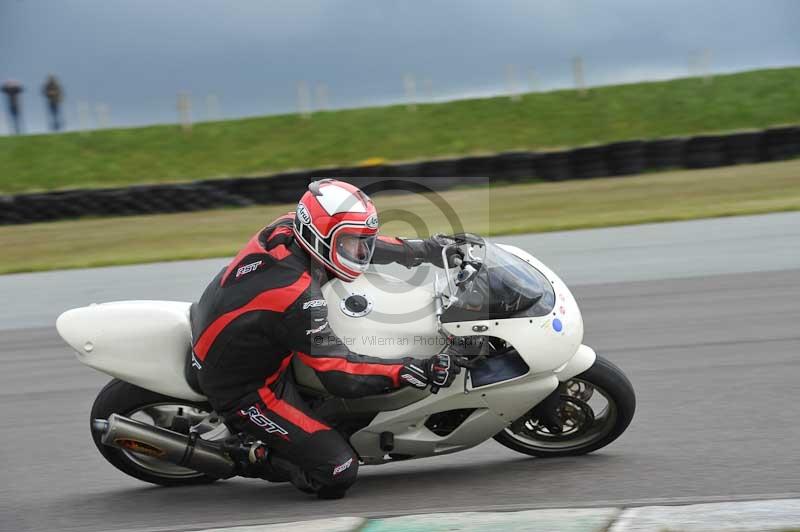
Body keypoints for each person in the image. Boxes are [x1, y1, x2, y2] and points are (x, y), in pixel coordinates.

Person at [189, 179, 462, 499]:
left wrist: (425, 250)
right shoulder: (297, 295)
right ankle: (248, 454)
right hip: (248, 388)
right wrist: (409, 369)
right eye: (350, 244)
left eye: (362, 241)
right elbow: (337, 373)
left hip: (245, 332)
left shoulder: (294, 227)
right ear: (317, 237)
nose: (360, 252)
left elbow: (359, 244)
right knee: (337, 469)